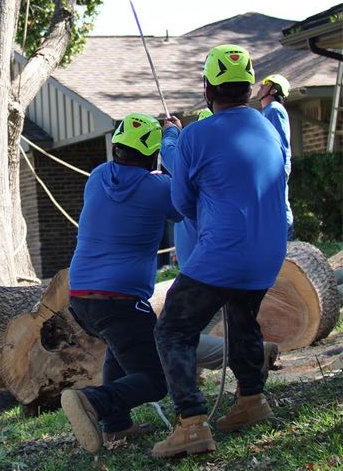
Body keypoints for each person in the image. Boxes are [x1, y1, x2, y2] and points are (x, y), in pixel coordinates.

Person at [151, 45, 287, 460]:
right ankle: (251, 400)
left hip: (223, 251)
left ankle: (191, 423)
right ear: (249, 88)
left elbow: (183, 201)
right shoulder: (267, 127)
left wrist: (172, 134)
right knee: (242, 318)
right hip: (269, 251)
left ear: (208, 89)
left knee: (172, 328)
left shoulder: (194, 134)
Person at [61, 113, 179, 454]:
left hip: (81, 298)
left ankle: (117, 425)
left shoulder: (97, 177)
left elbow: (135, 187)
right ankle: (94, 403)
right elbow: (185, 202)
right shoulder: (157, 189)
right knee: (156, 380)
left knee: (119, 346)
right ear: (153, 156)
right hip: (121, 301)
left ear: (116, 148)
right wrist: (174, 138)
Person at [258, 73, 295, 240]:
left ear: (273, 90)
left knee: (279, 204)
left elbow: (277, 143)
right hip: (273, 167)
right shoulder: (268, 111)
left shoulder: (274, 110)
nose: (260, 86)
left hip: (276, 167)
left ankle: (287, 239)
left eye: (265, 84)